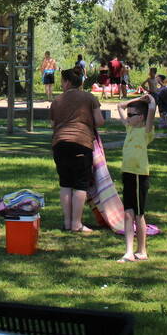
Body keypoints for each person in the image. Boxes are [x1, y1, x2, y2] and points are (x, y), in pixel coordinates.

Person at [49, 68, 105, 233]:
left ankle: (67, 223)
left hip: (59, 143)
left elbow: (52, 125)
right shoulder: (89, 98)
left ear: (66, 82)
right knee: (80, 184)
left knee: (65, 183)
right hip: (81, 142)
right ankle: (76, 223)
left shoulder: (57, 100)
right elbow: (100, 121)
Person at [116, 92, 157, 262]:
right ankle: (128, 251)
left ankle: (142, 250)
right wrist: (137, 100)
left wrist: (149, 100)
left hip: (140, 176)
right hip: (128, 173)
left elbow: (152, 108)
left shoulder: (146, 131)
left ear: (140, 117)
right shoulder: (129, 127)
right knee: (127, 213)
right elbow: (120, 106)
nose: (128, 117)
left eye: (131, 115)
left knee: (139, 214)